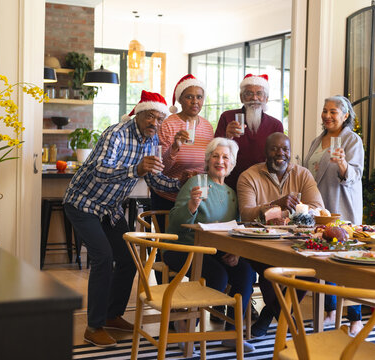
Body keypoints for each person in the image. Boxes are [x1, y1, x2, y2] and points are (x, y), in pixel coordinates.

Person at [63, 91, 185, 348]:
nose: (154, 122)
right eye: (150, 116)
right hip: (82, 203)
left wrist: (181, 185)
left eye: (159, 118)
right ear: (138, 114)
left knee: (129, 260)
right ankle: (93, 326)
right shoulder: (116, 133)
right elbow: (100, 170)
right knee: (103, 257)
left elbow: (154, 179)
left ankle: (111, 314)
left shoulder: (152, 141)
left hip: (109, 208)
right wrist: (135, 169)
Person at [164, 137, 257, 353]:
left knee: (245, 272)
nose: (220, 161)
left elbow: (235, 228)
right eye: (215, 156)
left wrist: (235, 252)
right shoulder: (197, 183)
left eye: (226, 157)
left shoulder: (232, 194)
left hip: (215, 251)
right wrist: (191, 205)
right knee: (218, 276)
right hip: (185, 249)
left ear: (232, 164)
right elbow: (176, 220)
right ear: (208, 160)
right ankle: (188, 328)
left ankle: (233, 333)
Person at [236, 132, 324, 337]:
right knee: (269, 269)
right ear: (265, 152)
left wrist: (281, 213)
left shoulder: (302, 174)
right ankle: (288, 321)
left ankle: (270, 313)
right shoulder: (249, 176)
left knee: (312, 268)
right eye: (274, 149)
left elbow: (318, 207)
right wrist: (276, 204)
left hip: (294, 242)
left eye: (285, 149)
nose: (280, 154)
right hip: (257, 242)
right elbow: (246, 212)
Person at [304, 95, 365, 335]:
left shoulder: (352, 140)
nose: (327, 116)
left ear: (345, 115)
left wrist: (342, 165)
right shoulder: (317, 140)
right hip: (318, 208)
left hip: (342, 206)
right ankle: (330, 311)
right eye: (324, 111)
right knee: (324, 260)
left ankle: (355, 318)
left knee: (349, 264)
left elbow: (355, 175)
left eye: (333, 112)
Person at [150, 74, 213, 235]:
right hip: (169, 197)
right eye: (189, 97)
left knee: (195, 242)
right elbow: (160, 169)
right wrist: (175, 147)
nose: (195, 101)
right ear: (180, 99)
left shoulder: (207, 126)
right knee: (168, 246)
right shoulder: (168, 124)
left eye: (199, 97)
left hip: (197, 195)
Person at [215, 74, 283, 191]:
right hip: (229, 184)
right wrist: (226, 137)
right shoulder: (227, 117)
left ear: (266, 99)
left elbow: (280, 158)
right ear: (241, 97)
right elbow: (214, 152)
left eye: (259, 93)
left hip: (262, 185)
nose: (254, 98)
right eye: (249, 93)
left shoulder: (275, 125)